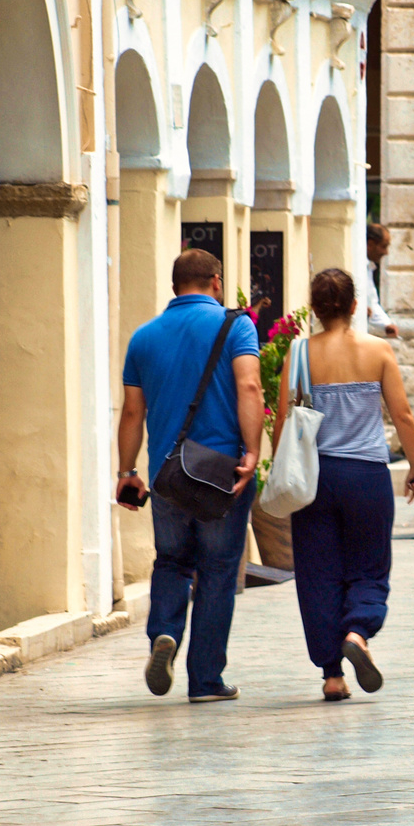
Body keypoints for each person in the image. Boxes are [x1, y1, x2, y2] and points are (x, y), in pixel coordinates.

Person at [273, 269, 414, 702]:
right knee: (369, 565)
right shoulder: (377, 351)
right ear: (355, 306)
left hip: (314, 480)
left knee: (318, 573)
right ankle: (358, 632)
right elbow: (403, 417)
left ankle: (332, 675)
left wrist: (278, 469)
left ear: (316, 309)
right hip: (366, 477)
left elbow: (284, 420)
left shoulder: (299, 352)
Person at [117, 249, 264, 703]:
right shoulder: (236, 325)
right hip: (223, 475)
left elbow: (132, 411)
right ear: (215, 283)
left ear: (175, 285)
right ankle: (205, 680)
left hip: (167, 476)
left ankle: (164, 634)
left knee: (172, 561)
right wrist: (253, 450)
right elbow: (249, 386)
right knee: (218, 572)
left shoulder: (143, 337)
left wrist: (128, 472)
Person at [363, 224, 399, 337]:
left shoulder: (368, 267)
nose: (386, 252)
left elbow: (371, 302)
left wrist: (386, 324)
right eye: (384, 246)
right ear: (370, 244)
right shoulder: (356, 264)